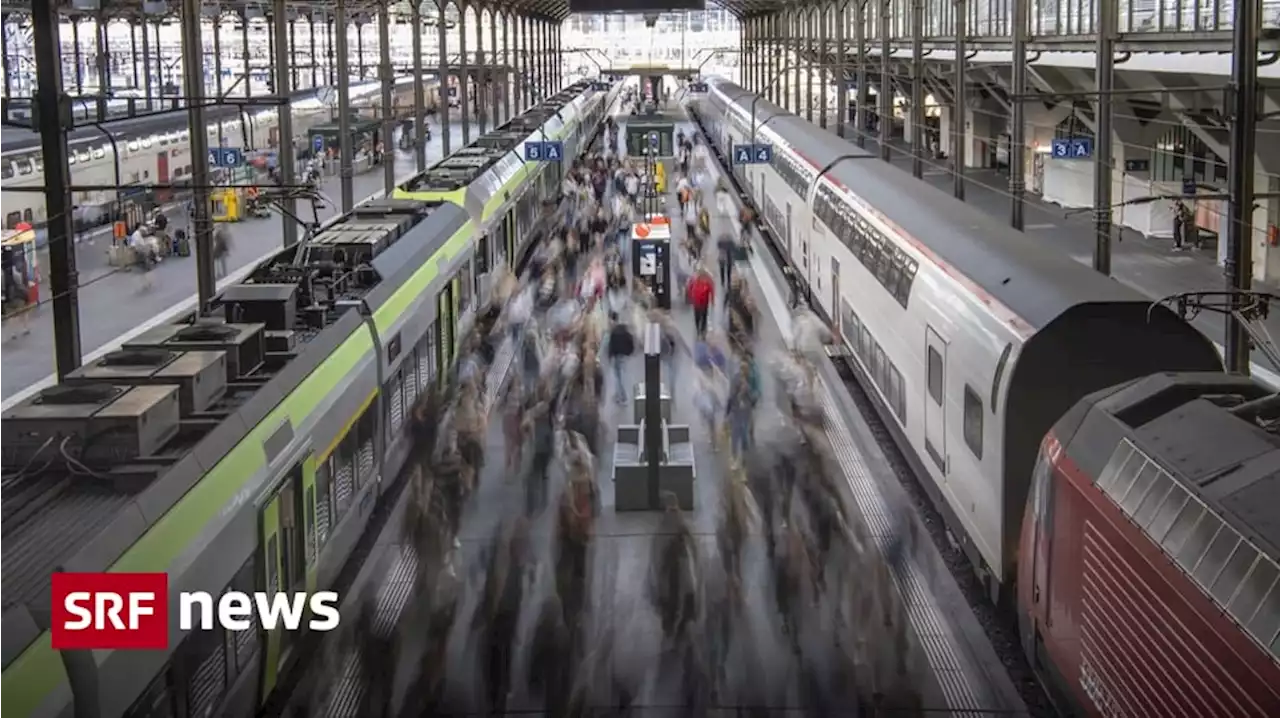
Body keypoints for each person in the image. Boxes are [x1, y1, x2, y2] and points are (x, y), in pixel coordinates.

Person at [687, 267, 715, 338]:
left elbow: (711, 290)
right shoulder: (694, 279)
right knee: (697, 316)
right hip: (696, 301)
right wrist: (690, 297)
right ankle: (698, 329)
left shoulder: (708, 281)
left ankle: (702, 330)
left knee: (704, 315)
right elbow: (690, 287)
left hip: (704, 301)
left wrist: (712, 300)